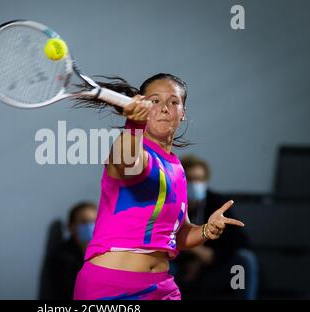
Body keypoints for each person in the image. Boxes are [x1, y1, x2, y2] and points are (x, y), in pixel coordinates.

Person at [73, 73, 245, 300]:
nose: (165, 108)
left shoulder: (177, 168)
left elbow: (179, 234)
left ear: (183, 113)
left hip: (161, 287)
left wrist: (206, 230)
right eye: (155, 101)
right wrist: (134, 124)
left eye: (174, 102)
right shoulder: (136, 152)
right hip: (111, 287)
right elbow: (128, 161)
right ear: (143, 107)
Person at [172, 154, 258, 299]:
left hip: (212, 267)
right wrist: (196, 251)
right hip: (179, 265)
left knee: (245, 260)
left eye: (200, 179)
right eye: (191, 179)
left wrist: (210, 257)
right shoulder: (171, 201)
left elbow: (240, 242)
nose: (195, 184)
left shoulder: (217, 203)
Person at [48, 202, 97, 300]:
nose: (90, 226)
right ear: (71, 226)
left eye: (94, 221)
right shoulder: (62, 258)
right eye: (84, 222)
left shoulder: (109, 251)